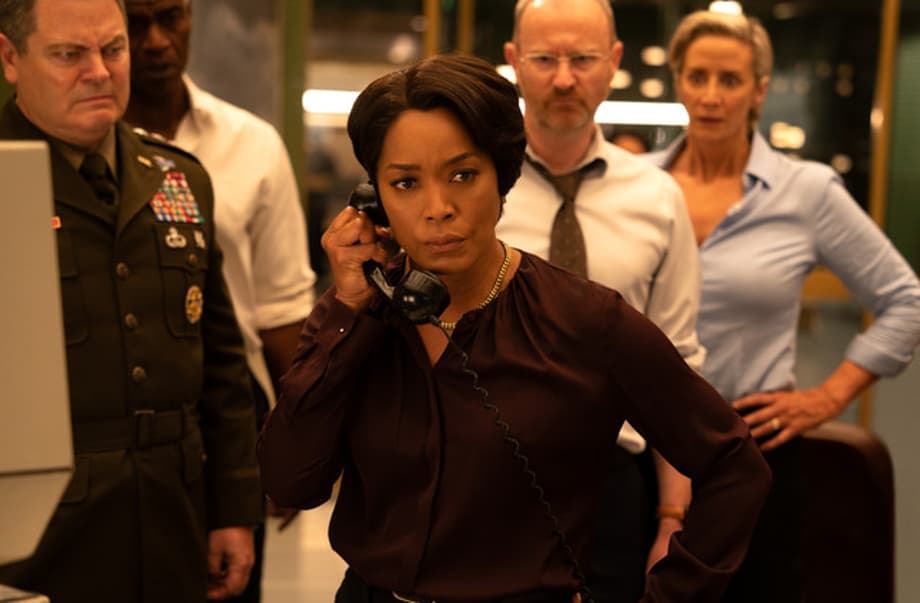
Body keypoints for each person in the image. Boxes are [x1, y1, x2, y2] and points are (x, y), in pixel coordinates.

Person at [258, 53, 770, 603]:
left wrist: (672, 594)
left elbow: (733, 466)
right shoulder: (356, 316)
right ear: (374, 201)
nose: (437, 208)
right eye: (405, 183)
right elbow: (290, 481)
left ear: (502, 179)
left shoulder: (584, 320)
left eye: (462, 175)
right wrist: (347, 314)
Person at [646, 10, 920, 602]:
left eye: (730, 80)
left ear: (759, 90)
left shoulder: (806, 191)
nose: (711, 96)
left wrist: (829, 397)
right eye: (697, 76)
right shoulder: (636, 186)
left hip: (754, 453)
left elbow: (905, 299)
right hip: (640, 452)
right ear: (678, 82)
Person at [0, 0, 262, 601]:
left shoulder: (177, 178)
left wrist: (232, 507)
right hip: (38, 534)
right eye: (69, 54)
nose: (99, 72)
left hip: (171, 514)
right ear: (11, 58)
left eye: (112, 50)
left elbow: (222, 368)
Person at [497, 1, 703, 599]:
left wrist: (672, 518)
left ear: (613, 63)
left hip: (614, 483)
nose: (565, 79)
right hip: (492, 470)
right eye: (544, 59)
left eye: (583, 59)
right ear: (514, 62)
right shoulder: (479, 188)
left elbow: (677, 369)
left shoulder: (658, 198)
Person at [122, 1, 317, 599]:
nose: (156, 41)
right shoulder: (80, 145)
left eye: (170, 17)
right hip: (116, 411)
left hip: (228, 409)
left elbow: (283, 313)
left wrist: (295, 449)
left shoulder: (251, 144)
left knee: (225, 583)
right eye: (136, 23)